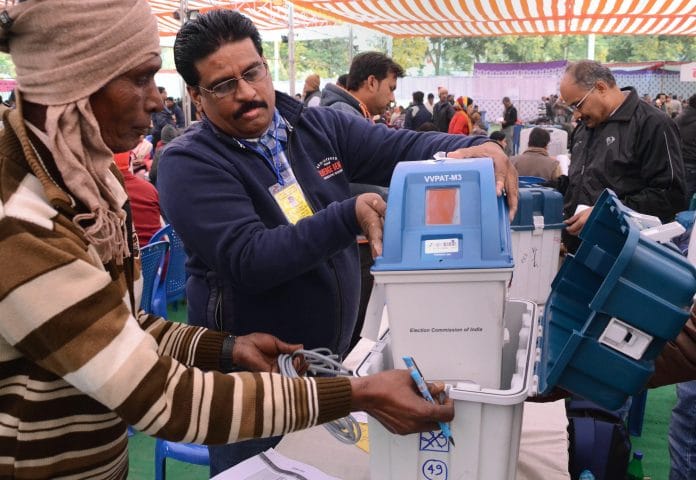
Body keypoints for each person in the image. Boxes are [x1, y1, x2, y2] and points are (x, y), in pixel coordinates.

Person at [0, 2, 459, 478]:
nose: (157, 101)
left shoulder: (83, 188)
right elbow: (164, 398)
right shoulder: (21, 222)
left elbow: (123, 325)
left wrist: (223, 349)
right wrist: (356, 394)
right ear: (76, 81)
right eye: (140, 80)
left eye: (254, 72)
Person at [157, 9, 518, 475]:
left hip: (333, 363)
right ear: (195, 94)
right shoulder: (188, 162)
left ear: (266, 66)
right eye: (223, 85)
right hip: (258, 377)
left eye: (252, 73)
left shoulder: (316, 126)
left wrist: (477, 147)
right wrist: (347, 215)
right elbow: (249, 258)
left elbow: (401, 149)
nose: (246, 93)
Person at [560, 60, 686, 254]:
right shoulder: (584, 129)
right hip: (579, 251)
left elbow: (670, 195)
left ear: (600, 87)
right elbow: (579, 183)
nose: (576, 115)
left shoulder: (652, 123)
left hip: (625, 253)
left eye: (578, 105)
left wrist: (607, 212)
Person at [320, 51, 404, 120]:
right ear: (372, 82)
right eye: (391, 89)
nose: (392, 98)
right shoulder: (346, 116)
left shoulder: (347, 113)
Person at [114, 151, 163, 246]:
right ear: (130, 163)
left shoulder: (105, 193)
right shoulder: (149, 188)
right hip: (159, 255)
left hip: (128, 257)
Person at [676, 94, 696, 202]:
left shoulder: (682, 116)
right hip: (692, 161)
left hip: (681, 159)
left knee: (685, 192)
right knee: (688, 194)